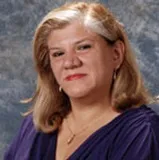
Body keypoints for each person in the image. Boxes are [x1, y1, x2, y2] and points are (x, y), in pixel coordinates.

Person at [4, 2, 159, 160]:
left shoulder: (141, 134)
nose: (70, 62)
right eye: (58, 54)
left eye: (83, 47)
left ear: (116, 54)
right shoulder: (35, 125)